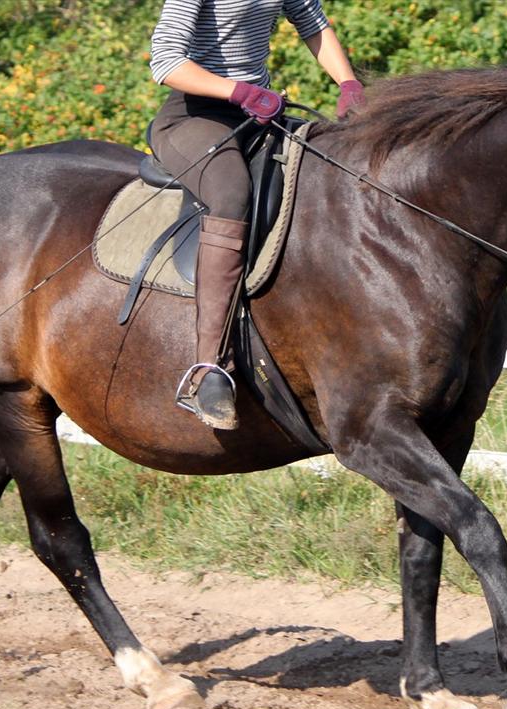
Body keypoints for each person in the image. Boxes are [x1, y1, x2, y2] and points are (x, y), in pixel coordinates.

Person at [149, 0, 364, 430]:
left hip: (258, 113)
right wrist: (240, 91)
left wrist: (349, 83)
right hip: (194, 116)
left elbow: (312, 22)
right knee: (232, 194)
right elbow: (166, 62)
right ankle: (208, 369)